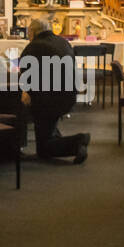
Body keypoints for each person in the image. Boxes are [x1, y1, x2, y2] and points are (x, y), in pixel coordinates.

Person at [19, 15, 90, 164]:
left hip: (48, 99)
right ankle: (70, 141)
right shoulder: (63, 42)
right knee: (48, 129)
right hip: (68, 94)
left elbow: (25, 72)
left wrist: (27, 91)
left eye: (28, 33)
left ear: (32, 32)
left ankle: (78, 142)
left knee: (44, 150)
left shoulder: (35, 46)